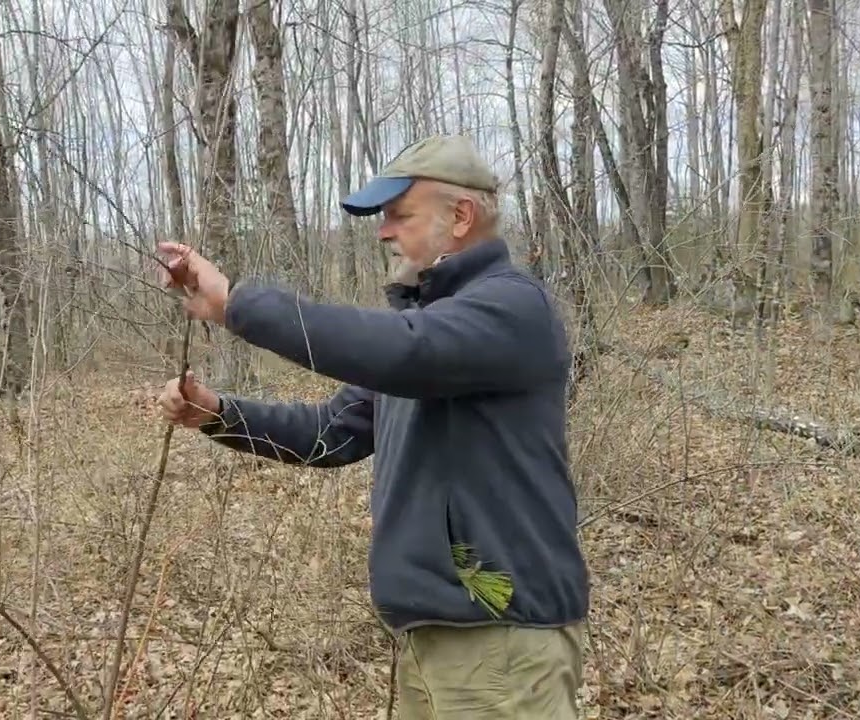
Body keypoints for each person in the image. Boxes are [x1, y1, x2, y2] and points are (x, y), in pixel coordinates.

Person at [155, 134, 590, 719]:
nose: (384, 231)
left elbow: (402, 353)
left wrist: (237, 304)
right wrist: (218, 414)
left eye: (399, 215)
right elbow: (331, 432)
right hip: (440, 636)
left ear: (461, 216)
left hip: (501, 641)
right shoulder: (428, 328)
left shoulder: (510, 308)